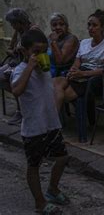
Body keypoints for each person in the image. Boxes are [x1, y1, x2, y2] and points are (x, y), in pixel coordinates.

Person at [11, 28, 70, 215]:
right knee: (34, 165)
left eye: (44, 51)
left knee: (62, 158)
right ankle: (40, 203)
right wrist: (29, 67)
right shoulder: (20, 70)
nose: (41, 55)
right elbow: (16, 91)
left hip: (51, 124)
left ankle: (52, 189)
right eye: (36, 51)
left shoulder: (44, 71)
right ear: (26, 51)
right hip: (33, 128)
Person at [54, 9, 104, 109]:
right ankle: (55, 121)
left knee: (63, 95)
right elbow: (76, 63)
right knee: (56, 83)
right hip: (80, 74)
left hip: (94, 78)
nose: (91, 28)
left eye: (94, 25)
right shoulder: (84, 42)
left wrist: (83, 74)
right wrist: (73, 71)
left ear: (102, 27)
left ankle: (54, 122)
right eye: (89, 25)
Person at [3, 8, 39, 125]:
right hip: (16, 62)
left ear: (20, 21)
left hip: (28, 64)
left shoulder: (33, 31)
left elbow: (36, 52)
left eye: (13, 23)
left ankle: (21, 110)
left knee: (14, 78)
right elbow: (9, 48)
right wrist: (13, 52)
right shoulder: (18, 32)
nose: (12, 26)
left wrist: (23, 51)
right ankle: (20, 103)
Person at [47, 13, 79, 77]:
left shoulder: (71, 39)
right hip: (49, 71)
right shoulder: (50, 38)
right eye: (54, 25)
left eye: (61, 24)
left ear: (66, 26)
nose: (58, 27)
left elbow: (60, 61)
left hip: (64, 73)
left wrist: (54, 42)